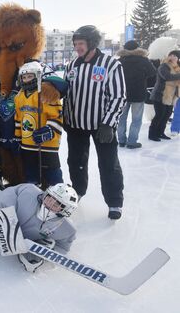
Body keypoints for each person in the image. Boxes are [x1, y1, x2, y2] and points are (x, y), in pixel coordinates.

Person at [63, 25, 126, 220]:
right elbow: (66, 92)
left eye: (80, 43)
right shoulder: (71, 65)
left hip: (102, 125)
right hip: (76, 124)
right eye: (75, 44)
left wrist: (108, 123)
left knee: (109, 164)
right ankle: (78, 191)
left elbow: (118, 96)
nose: (77, 48)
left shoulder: (111, 65)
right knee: (75, 162)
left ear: (91, 43)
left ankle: (114, 202)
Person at [0, 183, 78, 272]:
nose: (50, 203)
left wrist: (48, 251)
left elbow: (62, 249)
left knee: (32, 261)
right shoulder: (29, 191)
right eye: (50, 197)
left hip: (22, 245)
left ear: (65, 210)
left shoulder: (67, 229)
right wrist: (5, 217)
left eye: (57, 204)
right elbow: (5, 196)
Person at [14, 61, 63, 186]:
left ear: (38, 76)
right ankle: (33, 196)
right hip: (27, 144)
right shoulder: (19, 96)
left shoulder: (46, 92)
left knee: (53, 174)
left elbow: (57, 116)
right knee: (31, 175)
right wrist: (18, 137)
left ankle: (59, 195)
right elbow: (18, 118)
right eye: (23, 77)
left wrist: (49, 130)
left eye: (30, 76)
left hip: (47, 145)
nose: (26, 80)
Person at [116, 40, 157, 148]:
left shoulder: (120, 61)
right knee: (136, 119)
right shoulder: (144, 60)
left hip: (122, 94)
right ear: (137, 49)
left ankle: (121, 140)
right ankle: (132, 142)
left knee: (121, 118)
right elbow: (153, 73)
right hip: (138, 93)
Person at [149, 50, 180, 141]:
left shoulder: (177, 67)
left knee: (167, 115)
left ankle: (160, 133)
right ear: (168, 56)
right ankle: (152, 134)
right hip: (160, 95)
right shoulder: (164, 65)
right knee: (159, 115)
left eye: (176, 56)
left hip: (171, 96)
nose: (173, 57)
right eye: (172, 55)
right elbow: (167, 77)